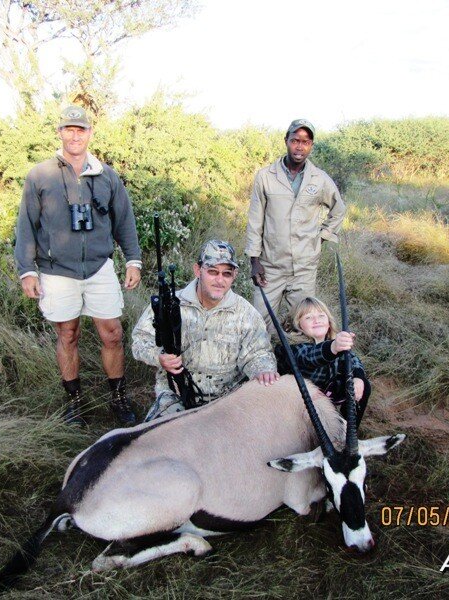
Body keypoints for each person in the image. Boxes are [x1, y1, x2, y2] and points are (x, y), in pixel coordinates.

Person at [14, 105, 142, 426]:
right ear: (59, 133)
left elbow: (124, 221)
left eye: (80, 129)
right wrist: (27, 270)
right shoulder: (40, 175)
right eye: (68, 129)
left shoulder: (107, 176)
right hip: (57, 271)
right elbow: (26, 225)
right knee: (67, 334)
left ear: (90, 133)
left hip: (100, 268)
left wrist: (133, 260)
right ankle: (74, 402)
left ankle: (118, 398)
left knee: (112, 334)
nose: (74, 135)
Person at [132, 239, 279, 421]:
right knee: (156, 442)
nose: (219, 280)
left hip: (228, 399)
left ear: (235, 275)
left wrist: (263, 371)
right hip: (175, 394)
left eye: (226, 273)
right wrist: (158, 357)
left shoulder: (247, 313)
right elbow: (139, 341)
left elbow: (259, 353)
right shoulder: (169, 305)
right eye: (212, 271)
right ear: (197, 270)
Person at [246, 118, 347, 333]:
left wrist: (321, 237)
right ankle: (263, 364)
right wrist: (254, 260)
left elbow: (339, 210)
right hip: (270, 267)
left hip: (304, 268)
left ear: (311, 145)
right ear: (286, 141)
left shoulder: (320, 179)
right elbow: (255, 220)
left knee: (304, 325)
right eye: (295, 140)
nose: (299, 146)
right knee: (259, 324)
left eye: (306, 141)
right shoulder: (266, 176)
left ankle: (296, 364)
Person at [274, 297, 370, 415]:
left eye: (321, 316)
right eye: (308, 317)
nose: (316, 320)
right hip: (293, 403)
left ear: (329, 322)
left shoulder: (333, 341)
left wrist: (358, 377)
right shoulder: (292, 347)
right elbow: (308, 358)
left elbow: (352, 359)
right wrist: (333, 347)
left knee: (363, 384)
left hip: (323, 395)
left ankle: (346, 431)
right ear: (297, 324)